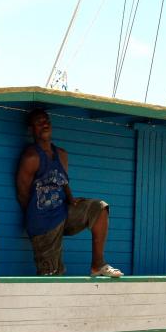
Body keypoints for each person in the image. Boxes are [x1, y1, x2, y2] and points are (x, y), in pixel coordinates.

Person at [15, 109, 123, 277]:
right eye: (39, 122)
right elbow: (22, 193)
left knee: (99, 208)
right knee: (51, 274)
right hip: (42, 222)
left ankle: (98, 265)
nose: (44, 124)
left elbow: (63, 181)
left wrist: (71, 199)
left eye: (46, 121)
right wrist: (35, 217)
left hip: (63, 212)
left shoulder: (62, 155)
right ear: (31, 129)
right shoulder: (31, 157)